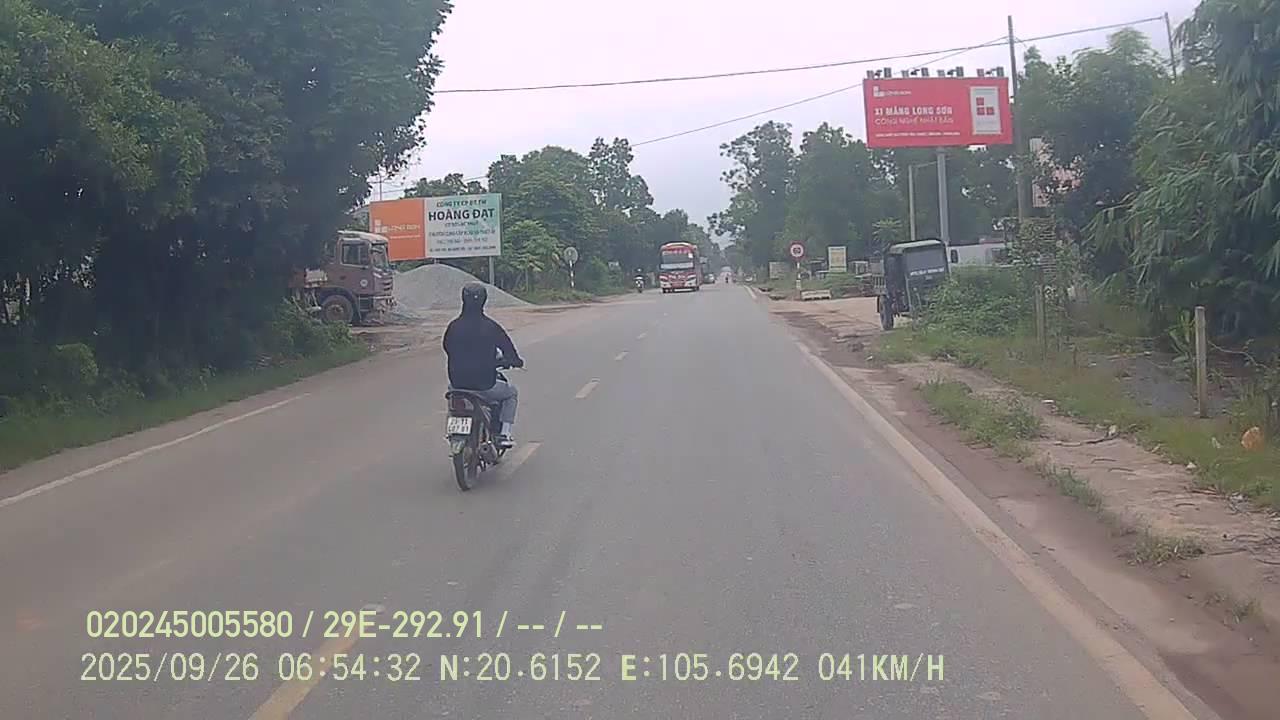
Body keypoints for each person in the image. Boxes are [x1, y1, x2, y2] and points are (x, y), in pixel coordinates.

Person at [443, 283, 523, 448]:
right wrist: (515, 361)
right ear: (484, 300)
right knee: (511, 393)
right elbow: (509, 350)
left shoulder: (453, 327)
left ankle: (453, 431)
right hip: (485, 386)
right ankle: (504, 434)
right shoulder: (491, 327)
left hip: (457, 385)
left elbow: (447, 348)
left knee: (454, 401)